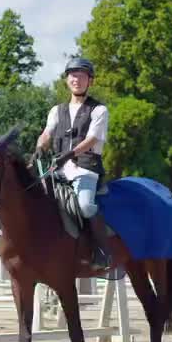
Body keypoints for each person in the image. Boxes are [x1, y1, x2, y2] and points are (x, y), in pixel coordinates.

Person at [34, 57, 113, 269]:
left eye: (81, 76)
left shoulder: (99, 110)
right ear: (67, 80)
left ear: (90, 81)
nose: (76, 79)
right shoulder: (56, 110)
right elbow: (47, 133)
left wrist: (69, 154)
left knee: (86, 206)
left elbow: (93, 140)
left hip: (85, 170)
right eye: (72, 75)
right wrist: (40, 146)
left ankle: (101, 252)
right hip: (58, 169)